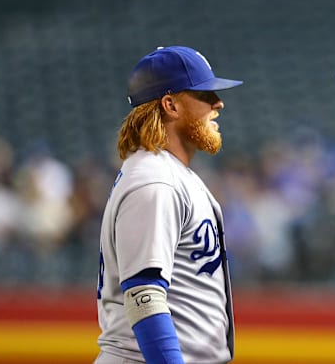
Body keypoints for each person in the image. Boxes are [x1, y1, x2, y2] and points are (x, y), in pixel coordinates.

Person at [95, 45, 243, 364]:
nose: (218, 103)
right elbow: (143, 295)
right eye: (204, 95)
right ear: (170, 105)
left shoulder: (168, 173)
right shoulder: (155, 180)